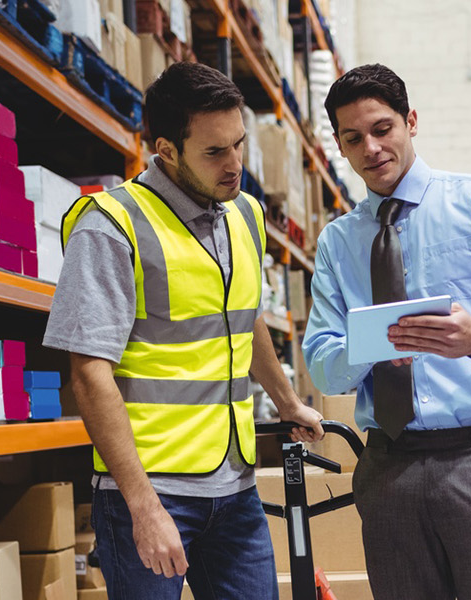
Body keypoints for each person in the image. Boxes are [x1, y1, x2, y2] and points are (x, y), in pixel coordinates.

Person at [43, 62, 324, 600]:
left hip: (235, 487)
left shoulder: (243, 215)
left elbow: (244, 318)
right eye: (215, 152)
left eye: (238, 144)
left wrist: (287, 402)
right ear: (167, 150)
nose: (235, 165)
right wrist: (142, 507)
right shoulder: (111, 223)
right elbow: (88, 375)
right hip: (151, 492)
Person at [303, 63, 471, 600]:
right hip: (387, 465)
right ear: (340, 145)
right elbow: (321, 360)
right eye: (354, 138)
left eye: (383, 129)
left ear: (411, 122)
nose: (372, 148)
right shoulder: (338, 241)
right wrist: (369, 351)